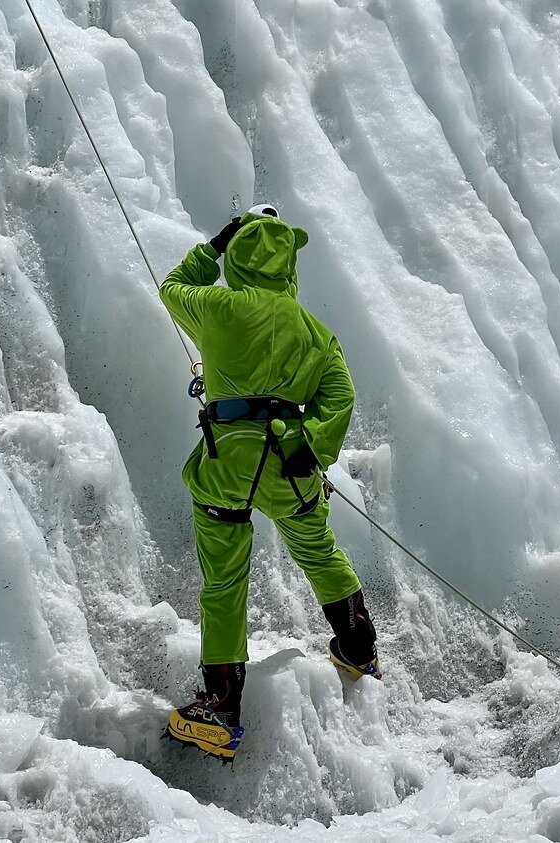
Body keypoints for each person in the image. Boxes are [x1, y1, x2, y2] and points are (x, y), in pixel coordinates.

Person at [159, 204, 380, 761]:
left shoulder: (218, 306)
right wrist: (310, 446)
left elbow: (173, 286)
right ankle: (358, 649)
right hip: (291, 464)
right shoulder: (316, 334)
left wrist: (214, 243)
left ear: (239, 257)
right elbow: (341, 397)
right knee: (315, 547)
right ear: (289, 265)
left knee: (225, 578)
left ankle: (222, 707)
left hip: (227, 465)